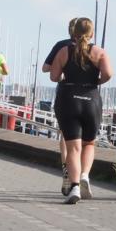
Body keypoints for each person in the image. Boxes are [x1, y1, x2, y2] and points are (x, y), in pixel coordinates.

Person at [49, 17, 113, 204]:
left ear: (73, 33)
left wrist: (66, 75)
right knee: (89, 144)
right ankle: (85, 175)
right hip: (91, 99)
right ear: (91, 33)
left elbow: (54, 76)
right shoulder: (99, 52)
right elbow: (108, 74)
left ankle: (75, 186)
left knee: (73, 148)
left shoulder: (63, 51)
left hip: (68, 99)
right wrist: (95, 82)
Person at [43, 18, 77, 196]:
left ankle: (66, 169)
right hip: (88, 97)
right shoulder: (93, 48)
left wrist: (61, 67)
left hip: (65, 92)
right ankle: (82, 176)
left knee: (65, 135)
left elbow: (45, 68)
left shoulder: (61, 46)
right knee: (86, 140)